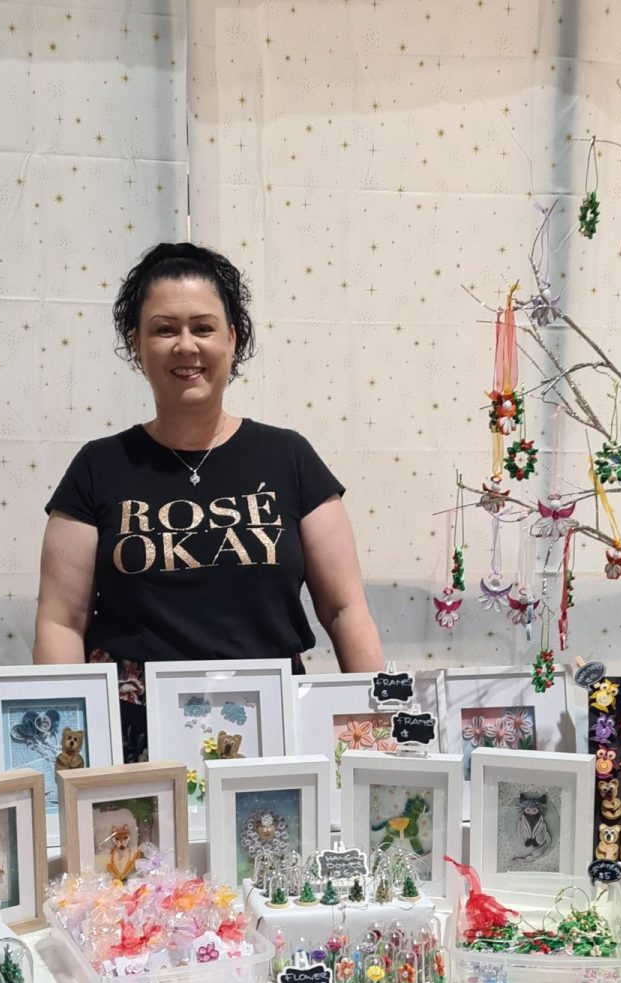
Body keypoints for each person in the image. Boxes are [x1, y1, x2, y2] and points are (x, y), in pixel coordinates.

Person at [34, 242, 383, 760]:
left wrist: (380, 723)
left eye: (202, 327)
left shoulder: (288, 457)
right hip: (133, 736)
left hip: (272, 725)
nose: (185, 345)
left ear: (231, 339)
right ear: (137, 345)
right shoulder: (98, 466)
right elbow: (61, 620)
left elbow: (344, 607)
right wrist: (67, 756)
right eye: (164, 329)